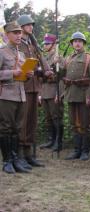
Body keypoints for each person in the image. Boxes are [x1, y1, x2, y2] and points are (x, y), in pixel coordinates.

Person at [17, 14, 52, 167]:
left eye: (32, 25)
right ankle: (19, 155)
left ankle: (28, 154)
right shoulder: (18, 45)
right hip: (22, 86)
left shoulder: (32, 45)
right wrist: (38, 69)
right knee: (22, 122)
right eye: (28, 25)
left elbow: (40, 61)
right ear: (21, 27)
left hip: (34, 87)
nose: (31, 27)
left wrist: (46, 71)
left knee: (32, 122)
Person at [0, 21, 31, 173]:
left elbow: (23, 77)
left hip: (20, 95)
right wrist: (12, 73)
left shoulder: (22, 54)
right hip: (6, 95)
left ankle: (16, 159)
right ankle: (7, 161)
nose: (19, 35)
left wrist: (28, 75)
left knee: (18, 129)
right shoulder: (2, 52)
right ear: (7, 35)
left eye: (20, 32)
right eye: (15, 32)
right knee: (6, 128)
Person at [63, 31, 90, 161]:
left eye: (80, 41)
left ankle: (85, 151)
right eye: (75, 41)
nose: (77, 43)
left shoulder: (89, 57)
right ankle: (76, 150)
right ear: (72, 44)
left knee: (85, 124)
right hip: (71, 94)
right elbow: (64, 76)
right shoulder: (69, 58)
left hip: (83, 95)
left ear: (83, 43)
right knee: (74, 124)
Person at [39, 33, 65, 152]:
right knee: (48, 117)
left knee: (56, 117)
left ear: (54, 45)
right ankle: (51, 139)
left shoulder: (59, 58)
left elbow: (62, 77)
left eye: (48, 44)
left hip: (54, 89)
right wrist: (39, 93)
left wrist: (59, 93)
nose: (45, 46)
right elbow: (40, 76)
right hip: (44, 90)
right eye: (45, 44)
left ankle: (58, 142)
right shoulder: (44, 58)